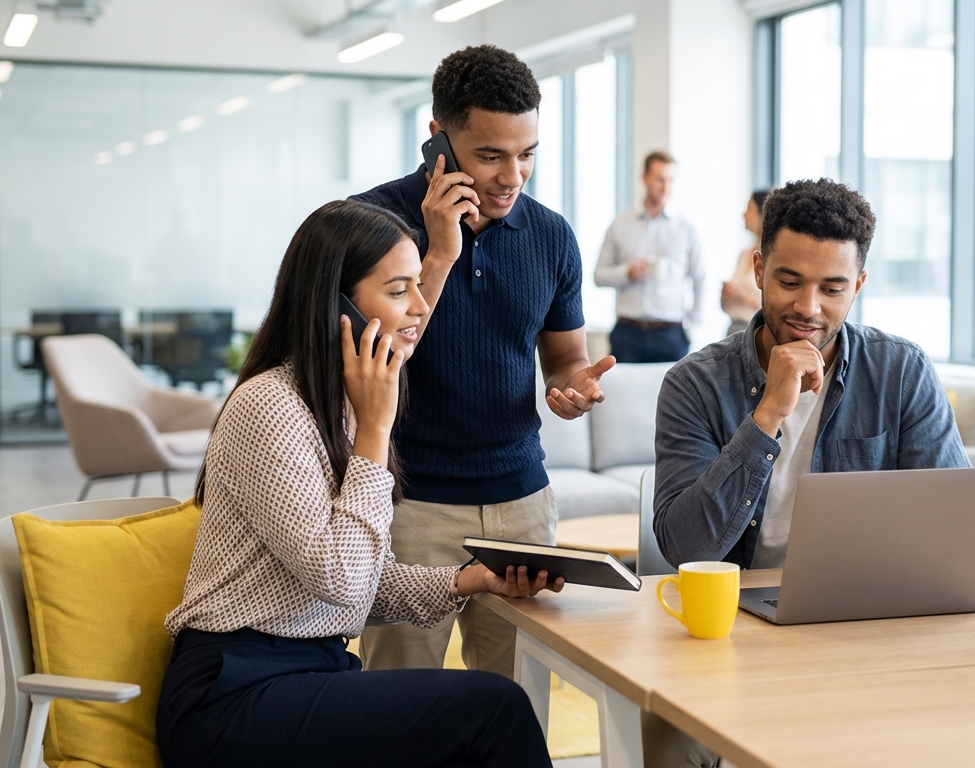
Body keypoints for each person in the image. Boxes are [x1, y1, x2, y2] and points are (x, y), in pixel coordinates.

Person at [158, 199, 562, 768]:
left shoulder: (337, 408)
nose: (422, 307)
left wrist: (468, 581)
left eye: (420, 286)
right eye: (400, 291)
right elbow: (343, 582)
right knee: (492, 710)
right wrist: (376, 427)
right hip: (234, 694)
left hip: (311, 672)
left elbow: (354, 573)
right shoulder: (269, 407)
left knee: (473, 721)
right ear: (338, 307)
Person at [350, 45, 614, 676]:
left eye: (526, 155)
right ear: (438, 139)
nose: (511, 177)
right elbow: (372, 361)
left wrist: (571, 385)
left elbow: (564, 355)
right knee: (399, 715)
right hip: (410, 504)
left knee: (517, 708)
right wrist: (438, 251)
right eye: (490, 155)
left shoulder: (551, 235)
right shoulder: (369, 225)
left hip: (521, 503)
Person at [653, 178, 970, 569]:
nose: (808, 308)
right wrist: (766, 416)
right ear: (758, 269)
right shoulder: (694, 384)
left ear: (858, 286)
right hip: (737, 611)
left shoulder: (903, 372)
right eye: (789, 283)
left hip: (866, 607)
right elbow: (686, 551)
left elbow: (954, 528)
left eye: (832, 290)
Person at [594, 150, 706, 363]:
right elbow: (599, 276)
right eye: (659, 179)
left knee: (676, 397)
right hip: (628, 333)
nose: (665, 187)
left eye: (670, 180)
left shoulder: (686, 229)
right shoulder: (620, 224)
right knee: (624, 396)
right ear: (644, 178)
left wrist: (692, 329)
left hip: (671, 334)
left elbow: (700, 280)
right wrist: (627, 272)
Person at [721, 189, 770, 336]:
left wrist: (744, 297)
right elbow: (729, 307)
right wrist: (726, 296)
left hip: (756, 331)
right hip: (733, 330)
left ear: (763, 215)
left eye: (749, 209)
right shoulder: (744, 255)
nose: (744, 215)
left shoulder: (773, 258)